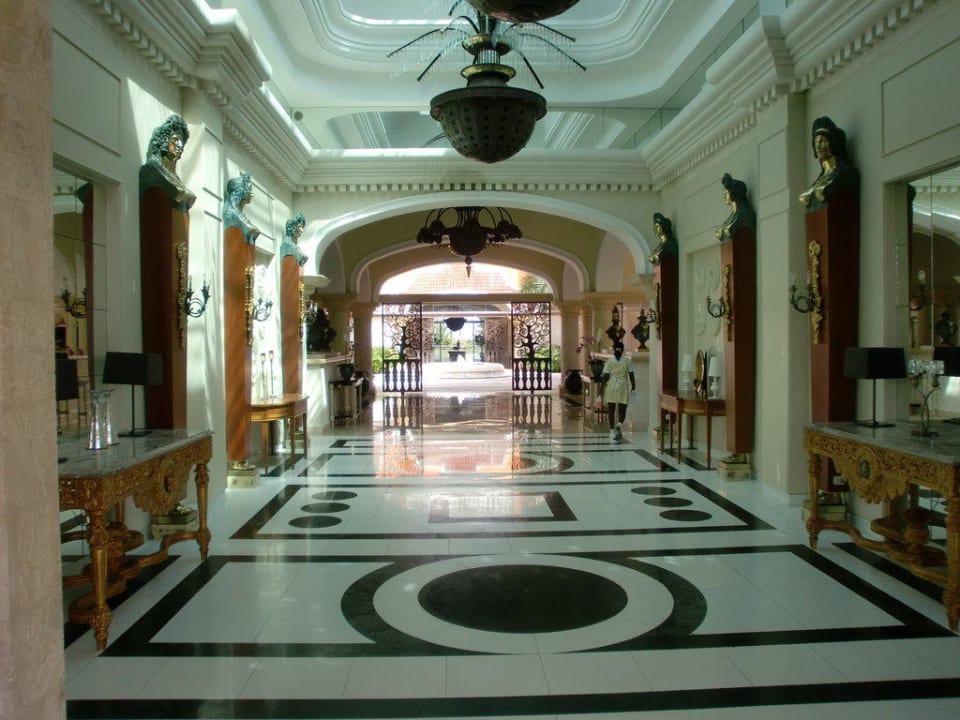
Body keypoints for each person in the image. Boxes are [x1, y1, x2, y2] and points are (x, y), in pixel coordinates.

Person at [798, 116, 859, 211]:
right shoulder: (819, 179)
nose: (818, 146)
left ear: (833, 144)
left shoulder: (846, 173)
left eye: (823, 141)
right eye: (816, 141)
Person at [140, 114, 196, 211]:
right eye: (175, 140)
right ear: (165, 140)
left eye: (181, 142)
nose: (179, 145)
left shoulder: (176, 178)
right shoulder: (151, 170)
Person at [600, 342, 635, 441]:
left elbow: (606, 377)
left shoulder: (609, 362)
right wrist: (634, 386)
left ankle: (611, 431)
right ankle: (619, 424)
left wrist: (600, 389)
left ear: (613, 349)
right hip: (623, 386)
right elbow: (631, 375)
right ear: (622, 350)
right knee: (622, 408)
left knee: (611, 409)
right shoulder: (627, 361)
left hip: (612, 386)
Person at [715, 173, 756, 241]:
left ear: (734, 193)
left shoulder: (745, 213)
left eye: (726, 193)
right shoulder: (733, 215)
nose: (724, 196)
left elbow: (727, 231)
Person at [222, 173, 261, 245]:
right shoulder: (231, 213)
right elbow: (252, 229)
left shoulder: (238, 213)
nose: (252, 194)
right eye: (249, 190)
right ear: (239, 192)